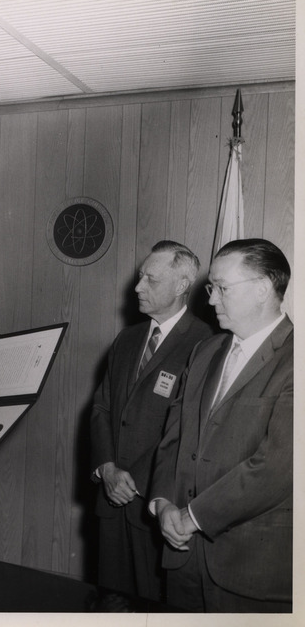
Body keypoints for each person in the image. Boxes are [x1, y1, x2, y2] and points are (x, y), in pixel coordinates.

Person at [150, 238, 293, 612]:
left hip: (250, 570)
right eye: (211, 288)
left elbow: (278, 467)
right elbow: (174, 436)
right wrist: (163, 502)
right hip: (182, 559)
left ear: (262, 288)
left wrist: (193, 517)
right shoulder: (205, 351)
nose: (210, 299)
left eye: (221, 288)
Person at [89, 241, 212, 604]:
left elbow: (186, 429)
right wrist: (108, 469)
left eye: (150, 279)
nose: (138, 287)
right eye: (140, 276)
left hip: (156, 506)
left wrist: (136, 481)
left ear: (180, 286)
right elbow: (101, 408)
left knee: (153, 607)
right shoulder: (127, 339)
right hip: (111, 499)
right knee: (111, 602)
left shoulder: (205, 343)